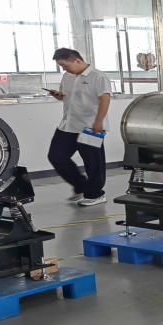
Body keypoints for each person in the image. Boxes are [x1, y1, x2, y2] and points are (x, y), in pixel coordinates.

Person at [47, 48, 111, 207]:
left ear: (77, 60)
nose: (64, 69)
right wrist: (59, 96)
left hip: (90, 126)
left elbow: (104, 99)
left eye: (65, 65)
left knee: (93, 162)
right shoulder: (67, 76)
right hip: (68, 125)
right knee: (56, 156)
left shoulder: (98, 76)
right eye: (61, 66)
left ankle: (96, 194)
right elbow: (67, 97)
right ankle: (81, 185)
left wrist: (99, 121)